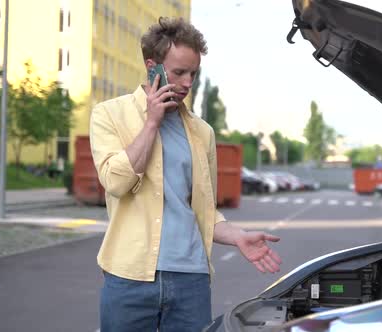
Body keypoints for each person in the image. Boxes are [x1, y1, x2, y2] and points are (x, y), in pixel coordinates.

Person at [89, 17, 282, 331]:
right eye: (179, 72)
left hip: (191, 280)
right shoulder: (110, 115)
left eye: (194, 73)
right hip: (129, 277)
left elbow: (202, 210)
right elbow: (116, 182)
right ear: (153, 67)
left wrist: (237, 237)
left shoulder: (201, 132)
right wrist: (151, 123)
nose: (188, 83)